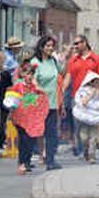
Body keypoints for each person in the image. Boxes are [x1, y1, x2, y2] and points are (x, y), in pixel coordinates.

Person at [65, 36, 99, 158]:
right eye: (74, 43)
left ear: (85, 43)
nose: (75, 46)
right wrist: (62, 90)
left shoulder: (96, 59)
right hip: (77, 97)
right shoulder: (73, 60)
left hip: (93, 97)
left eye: (77, 43)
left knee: (92, 126)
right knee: (79, 127)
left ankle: (91, 151)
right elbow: (68, 76)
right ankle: (85, 146)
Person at [32, 36, 64, 171]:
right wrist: (40, 90)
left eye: (52, 46)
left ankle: (50, 160)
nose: (51, 48)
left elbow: (62, 73)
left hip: (53, 102)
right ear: (41, 47)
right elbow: (32, 80)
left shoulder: (53, 61)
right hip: (39, 102)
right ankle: (29, 158)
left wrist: (65, 57)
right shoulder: (35, 62)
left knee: (52, 133)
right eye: (48, 46)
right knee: (37, 131)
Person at [72, 71, 99, 164]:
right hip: (84, 117)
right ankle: (86, 150)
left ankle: (92, 155)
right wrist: (91, 94)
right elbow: (83, 102)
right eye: (95, 81)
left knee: (94, 137)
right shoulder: (83, 90)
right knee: (84, 137)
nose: (97, 83)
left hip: (95, 118)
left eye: (98, 81)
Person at [0, 37, 23, 148]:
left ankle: (0, 136)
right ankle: (1, 137)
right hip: (6, 87)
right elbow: (5, 72)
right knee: (6, 112)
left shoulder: (10, 57)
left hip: (8, 86)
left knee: (6, 113)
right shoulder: (8, 58)